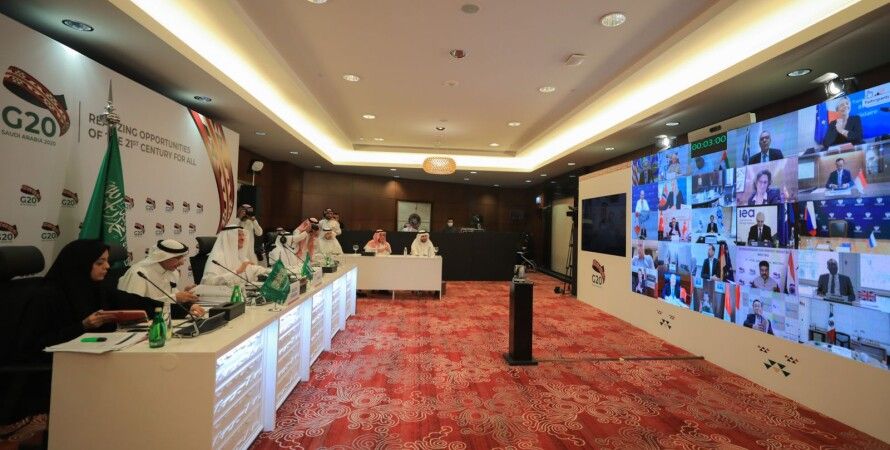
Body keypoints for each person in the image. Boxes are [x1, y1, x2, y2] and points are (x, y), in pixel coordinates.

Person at [118, 239, 205, 319]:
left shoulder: (172, 272)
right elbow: (136, 307)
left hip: (164, 318)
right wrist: (176, 297)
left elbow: (170, 298)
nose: (182, 263)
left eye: (182, 258)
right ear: (163, 256)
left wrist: (186, 299)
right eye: (178, 258)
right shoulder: (139, 273)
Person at [202, 224, 270, 286]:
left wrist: (269, 271)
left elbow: (253, 269)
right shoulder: (217, 257)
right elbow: (208, 282)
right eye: (239, 235)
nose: (243, 238)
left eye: (243, 235)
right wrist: (237, 271)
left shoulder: (239, 255)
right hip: (219, 295)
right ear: (229, 237)